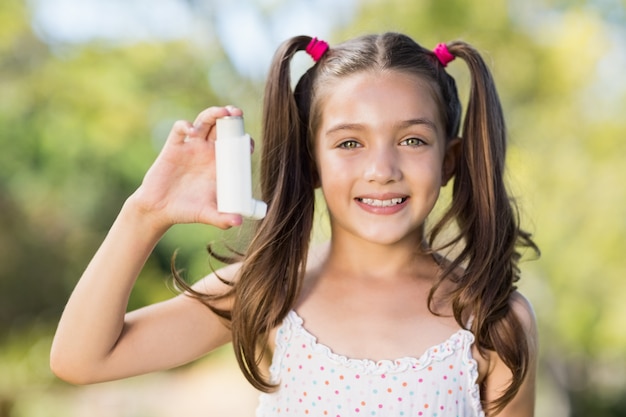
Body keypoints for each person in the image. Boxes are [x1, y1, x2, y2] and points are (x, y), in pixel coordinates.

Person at [50, 32, 540, 416]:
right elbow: (80, 358)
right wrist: (146, 212)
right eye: (350, 143)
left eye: (412, 140)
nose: (382, 169)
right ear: (311, 161)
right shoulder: (267, 290)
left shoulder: (494, 319)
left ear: (450, 159)